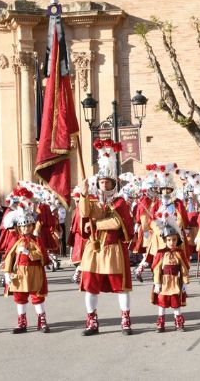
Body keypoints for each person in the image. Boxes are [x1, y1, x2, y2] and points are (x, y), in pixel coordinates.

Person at [78, 138, 135, 336]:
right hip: (94, 248)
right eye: (101, 182)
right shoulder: (92, 199)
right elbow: (84, 215)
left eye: (107, 182)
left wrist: (94, 224)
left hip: (113, 248)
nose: (103, 185)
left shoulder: (119, 202)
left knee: (121, 286)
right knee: (90, 286)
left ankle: (125, 320)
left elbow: (117, 223)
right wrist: (84, 195)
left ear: (112, 183)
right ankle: (92, 321)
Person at [2, 189, 50, 334]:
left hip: (34, 271)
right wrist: (7, 273)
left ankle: (41, 320)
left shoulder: (36, 240)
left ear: (32, 225)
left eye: (28, 225)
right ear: (19, 227)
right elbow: (9, 256)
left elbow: (41, 255)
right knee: (20, 297)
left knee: (37, 296)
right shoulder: (15, 240)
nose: (25, 228)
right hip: (19, 272)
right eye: (23, 226)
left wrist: (28, 252)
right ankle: (21, 322)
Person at [150, 214, 190, 332]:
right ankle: (161, 323)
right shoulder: (161, 253)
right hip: (163, 283)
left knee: (175, 303)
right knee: (162, 303)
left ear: (177, 240)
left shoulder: (179, 253)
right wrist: (157, 283)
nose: (171, 242)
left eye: (174, 239)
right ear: (165, 240)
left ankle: (178, 322)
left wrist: (185, 283)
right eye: (168, 240)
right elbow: (157, 269)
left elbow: (184, 268)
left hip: (175, 283)